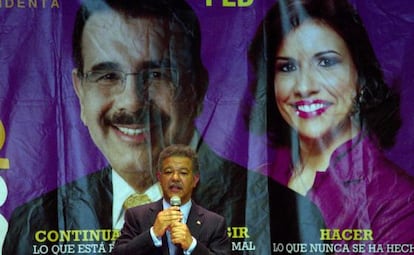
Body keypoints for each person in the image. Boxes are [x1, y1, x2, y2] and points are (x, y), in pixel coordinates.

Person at [3, 0, 250, 254]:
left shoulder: (264, 206)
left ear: (196, 89)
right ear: (80, 92)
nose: (132, 103)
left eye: (156, 75)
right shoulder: (33, 222)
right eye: (108, 76)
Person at [248, 0, 414, 246]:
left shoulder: (398, 200)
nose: (304, 87)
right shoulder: (259, 180)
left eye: (326, 62)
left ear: (360, 77)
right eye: (287, 67)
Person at [112, 144, 230, 255]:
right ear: (159, 178)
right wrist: (153, 234)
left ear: (195, 180)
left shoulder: (214, 223)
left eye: (183, 173)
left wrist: (192, 246)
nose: (175, 178)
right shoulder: (137, 216)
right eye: (168, 172)